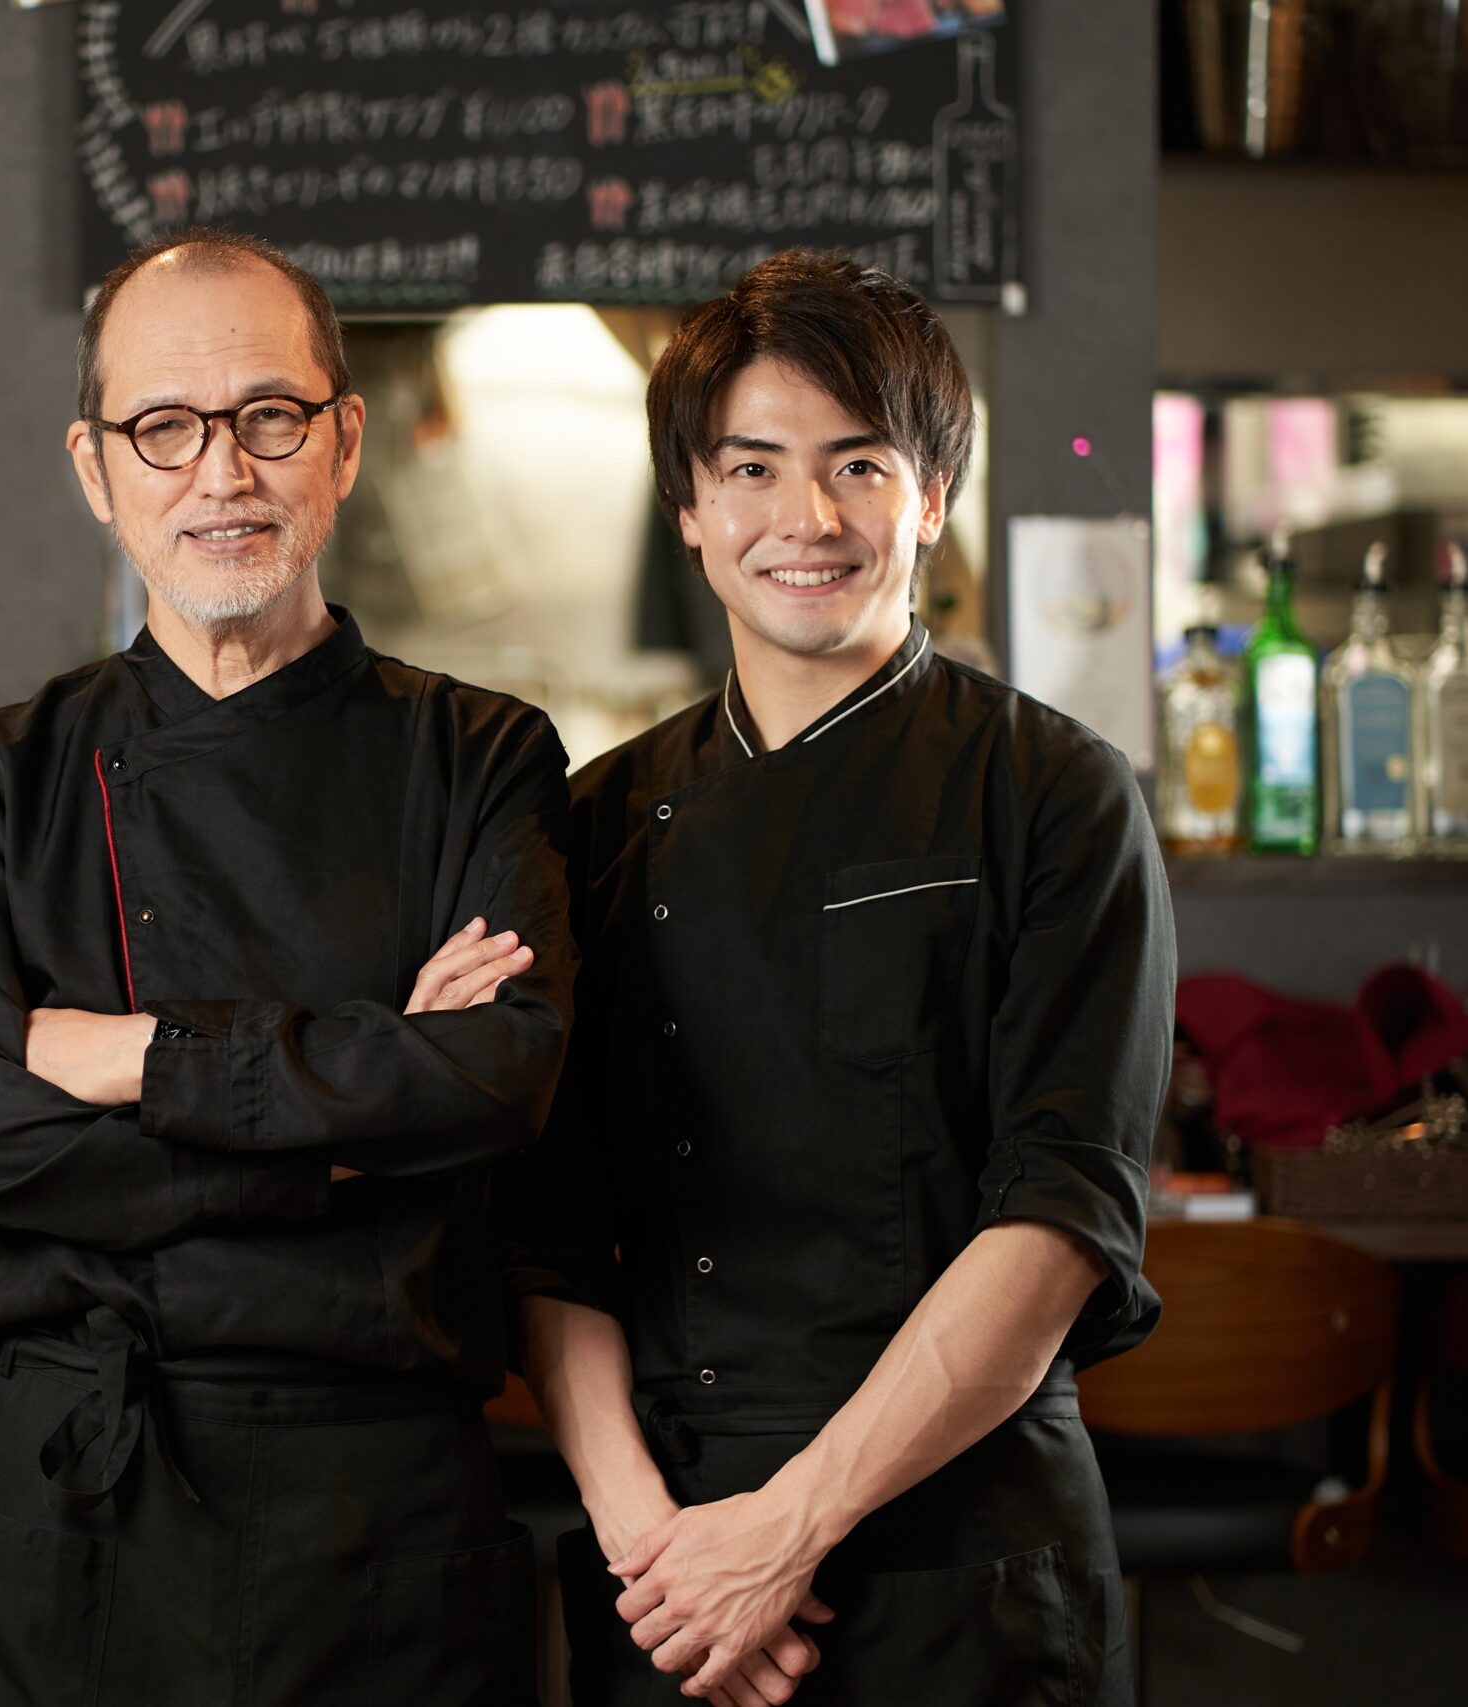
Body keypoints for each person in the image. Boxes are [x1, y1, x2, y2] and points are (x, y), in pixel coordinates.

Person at [0, 227, 575, 1706]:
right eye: (165, 428)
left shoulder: (481, 755)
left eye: (269, 418)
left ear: (343, 441)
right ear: (96, 468)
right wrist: (362, 1111)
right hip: (66, 1498)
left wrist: (136, 1060)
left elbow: (498, 1074)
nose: (222, 472)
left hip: (377, 1512)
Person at [502, 251, 1171, 1707]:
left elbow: (1060, 1216)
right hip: (672, 1567)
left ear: (930, 495)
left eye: (857, 463)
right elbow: (553, 1235)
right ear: (688, 508)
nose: (805, 518)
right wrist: (662, 1554)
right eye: (751, 466)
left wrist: (788, 1527)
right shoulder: (594, 822)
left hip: (962, 1568)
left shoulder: (1056, 794)